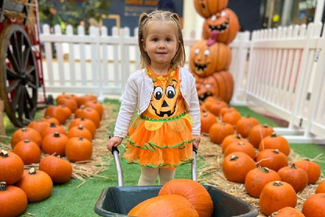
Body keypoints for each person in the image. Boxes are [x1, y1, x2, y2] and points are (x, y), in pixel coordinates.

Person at [107, 10, 201, 186]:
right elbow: (127, 108)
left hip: (175, 134)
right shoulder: (137, 79)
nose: (162, 45)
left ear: (178, 44)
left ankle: (165, 205)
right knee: (148, 176)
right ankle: (146, 206)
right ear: (144, 44)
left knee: (168, 177)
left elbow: (193, 106)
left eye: (168, 39)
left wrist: (195, 132)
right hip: (149, 135)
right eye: (155, 39)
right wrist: (119, 134)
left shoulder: (185, 77)